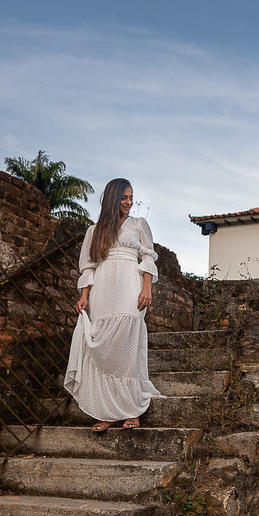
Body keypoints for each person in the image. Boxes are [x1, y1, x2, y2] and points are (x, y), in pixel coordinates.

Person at [63, 178, 161, 431]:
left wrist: (146, 287)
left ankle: (131, 410)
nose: (129, 202)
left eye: (131, 198)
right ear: (112, 199)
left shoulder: (139, 224)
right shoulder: (94, 232)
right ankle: (107, 412)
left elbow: (148, 256)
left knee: (127, 344)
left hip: (130, 284)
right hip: (102, 289)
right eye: (124, 198)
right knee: (103, 347)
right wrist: (84, 296)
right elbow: (88, 266)